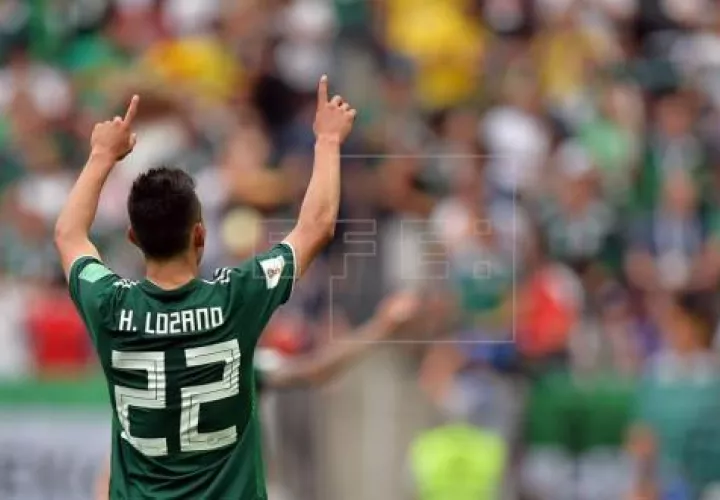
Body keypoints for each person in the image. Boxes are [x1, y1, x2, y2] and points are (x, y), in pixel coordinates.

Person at [53, 75, 356, 499]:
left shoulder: (107, 304)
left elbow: (69, 234)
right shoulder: (238, 297)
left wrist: (103, 154)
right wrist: (327, 140)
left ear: (133, 238)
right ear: (200, 235)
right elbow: (317, 228)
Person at [94, 290, 420, 500]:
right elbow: (315, 370)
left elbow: (314, 371)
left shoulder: (150, 373)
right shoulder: (235, 364)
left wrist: (381, 327)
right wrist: (382, 326)